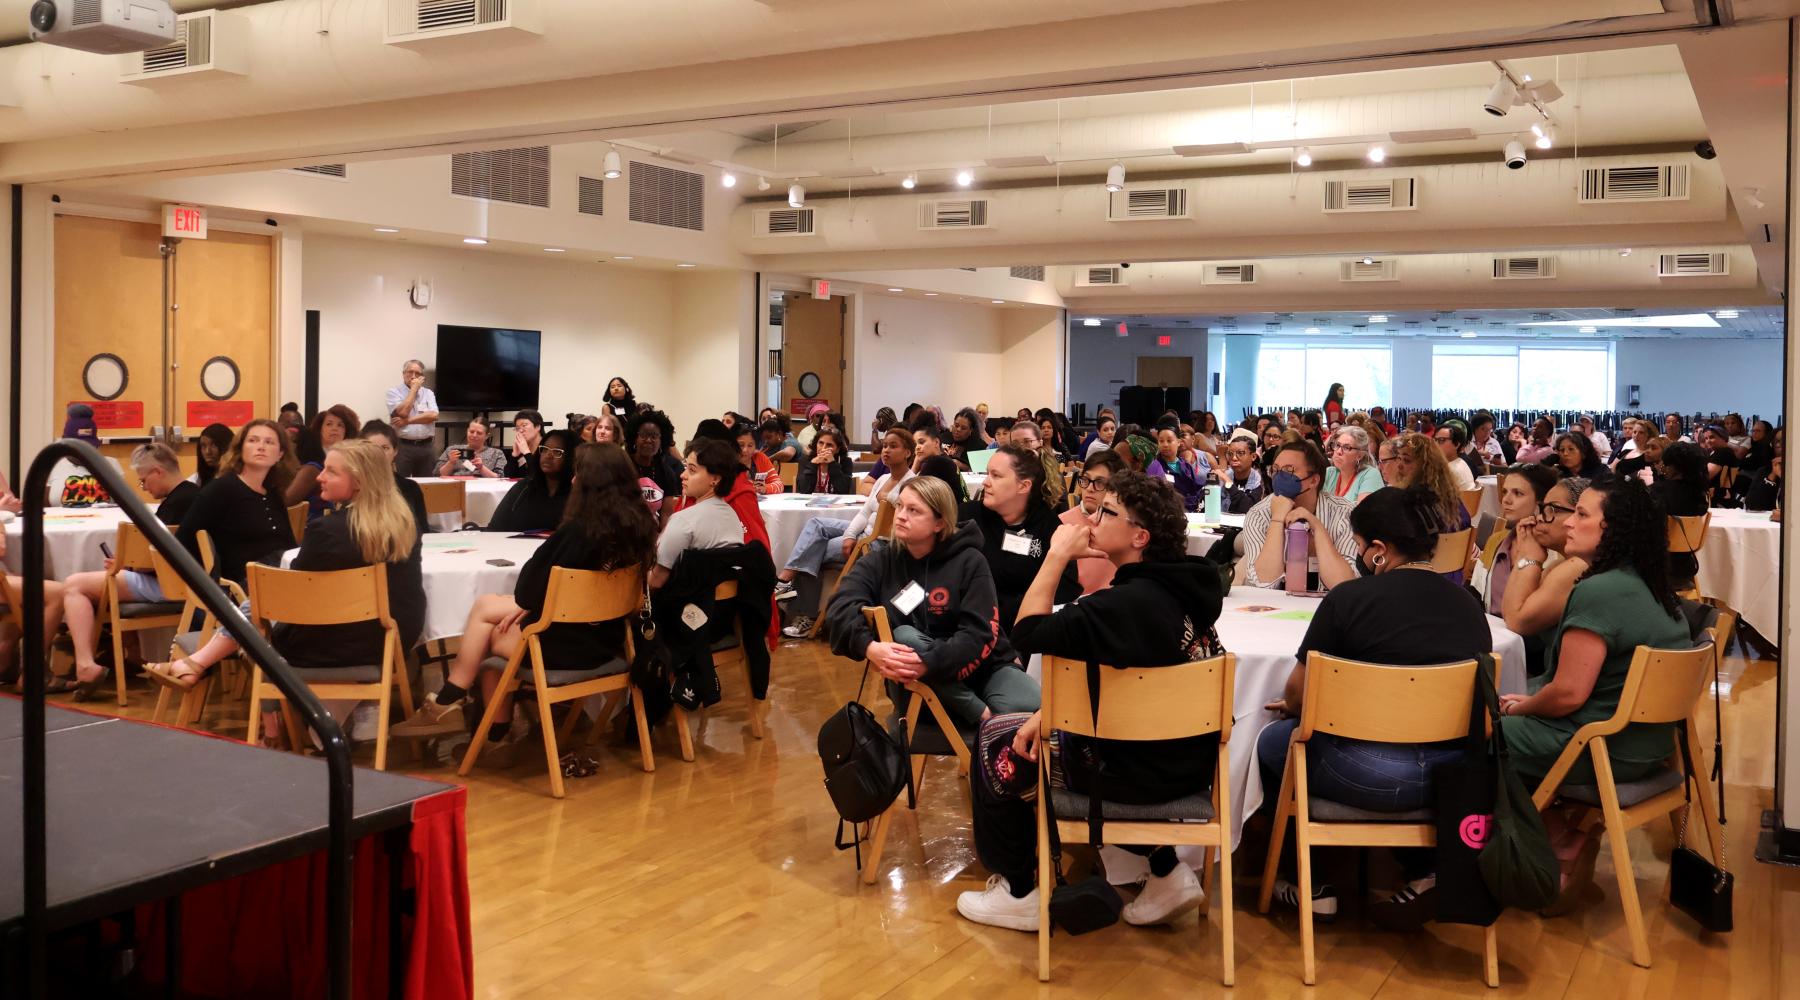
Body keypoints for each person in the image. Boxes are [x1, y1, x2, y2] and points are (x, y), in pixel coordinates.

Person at [955, 471, 1225, 931]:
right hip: (1192, 762)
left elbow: (1026, 634)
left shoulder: (1119, 606)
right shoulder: (1188, 588)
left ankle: (1019, 890)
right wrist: (1049, 714)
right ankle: (1165, 873)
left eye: (1107, 512)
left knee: (996, 738)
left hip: (1128, 773)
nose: (1091, 516)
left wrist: (1056, 555)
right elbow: (1130, 685)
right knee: (1039, 724)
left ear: (1140, 536)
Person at [1257, 484, 1492, 925]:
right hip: (1453, 775)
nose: (1362, 556)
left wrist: (1294, 709)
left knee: (1275, 742)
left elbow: (1297, 693)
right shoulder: (1469, 607)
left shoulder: (1348, 600)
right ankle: (1425, 870)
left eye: (1362, 547)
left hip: (1366, 774)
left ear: (1380, 550)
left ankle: (1309, 882)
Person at [143, 440, 426, 737]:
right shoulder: (405, 523)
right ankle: (203, 670)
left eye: (331, 471)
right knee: (259, 608)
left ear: (358, 481)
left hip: (329, 649)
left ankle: (271, 730)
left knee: (260, 617)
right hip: (390, 641)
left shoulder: (327, 531)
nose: (319, 477)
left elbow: (294, 603)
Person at [1497, 477, 1691, 908]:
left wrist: (1522, 708)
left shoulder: (1598, 590)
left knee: (1474, 728)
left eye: (1583, 515)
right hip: (1649, 744)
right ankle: (1554, 827)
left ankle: (1519, 851)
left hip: (1598, 747)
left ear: (1614, 529)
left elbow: (1567, 695)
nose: (1569, 525)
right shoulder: (1651, 585)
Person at [395, 444, 657, 741]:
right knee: (489, 611)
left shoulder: (580, 531)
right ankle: (472, 721)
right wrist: (533, 605)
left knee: (490, 631)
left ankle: (457, 710)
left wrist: (532, 604)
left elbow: (527, 589)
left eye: (578, 475)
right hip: (610, 639)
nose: (572, 481)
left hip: (566, 648)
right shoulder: (641, 527)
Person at [826, 475, 1038, 740]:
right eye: (900, 506)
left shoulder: (970, 561)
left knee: (1036, 712)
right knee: (905, 637)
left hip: (980, 668)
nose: (901, 516)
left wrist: (930, 663)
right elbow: (839, 609)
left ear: (940, 522)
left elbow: (978, 634)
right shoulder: (882, 560)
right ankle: (980, 715)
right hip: (917, 686)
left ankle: (986, 738)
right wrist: (871, 648)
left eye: (914, 510)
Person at [56, 443, 202, 698]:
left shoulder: (171, 507)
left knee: (73, 585)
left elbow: (158, 558)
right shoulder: (196, 496)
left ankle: (85, 666)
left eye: (144, 481)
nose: (144, 487)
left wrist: (124, 564)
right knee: (104, 584)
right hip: (188, 582)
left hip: (168, 584)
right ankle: (129, 653)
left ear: (157, 471)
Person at [776, 427, 916, 638]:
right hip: (865, 531)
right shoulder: (881, 479)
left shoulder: (911, 484)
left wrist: (860, 537)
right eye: (885, 445)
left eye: (893, 446)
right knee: (816, 525)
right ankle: (785, 580)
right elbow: (864, 513)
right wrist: (850, 535)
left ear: (907, 452)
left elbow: (895, 525)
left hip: (879, 542)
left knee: (813, 550)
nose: (886, 450)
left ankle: (806, 615)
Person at [958, 444, 1080, 630]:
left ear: (1023, 486)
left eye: (996, 476)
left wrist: (1016, 608)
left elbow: (1067, 587)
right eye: (987, 473)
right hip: (966, 623)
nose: (985, 482)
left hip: (1021, 628)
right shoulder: (966, 518)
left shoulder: (1049, 527)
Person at [173, 419, 296, 589]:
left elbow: (288, 543)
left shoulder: (273, 491)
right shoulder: (221, 489)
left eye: (269, 442)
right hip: (241, 587)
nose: (261, 447)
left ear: (280, 454)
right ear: (241, 449)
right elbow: (182, 540)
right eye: (253, 440)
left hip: (280, 578)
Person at [1241, 439, 1359, 590]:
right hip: (1276, 608)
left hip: (1328, 607)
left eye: (1289, 470)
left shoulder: (1344, 512)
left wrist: (1317, 527)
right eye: (1276, 470)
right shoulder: (1259, 514)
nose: (1280, 476)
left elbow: (1345, 586)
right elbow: (1261, 584)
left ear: (1314, 480)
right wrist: (1277, 520)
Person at [1501, 478, 1591, 665]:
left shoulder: (1578, 566)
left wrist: (1529, 556)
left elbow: (1516, 621)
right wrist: (1527, 555)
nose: (1541, 518)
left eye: (1555, 510)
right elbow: (1510, 610)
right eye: (1543, 509)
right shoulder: (1558, 565)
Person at [648, 439, 749, 589]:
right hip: (725, 608)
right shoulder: (733, 517)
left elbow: (655, 582)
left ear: (715, 479)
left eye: (692, 470)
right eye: (685, 468)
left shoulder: (684, 520)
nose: (683, 475)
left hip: (684, 607)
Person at [1470, 463, 1560, 617]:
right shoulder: (1496, 540)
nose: (1506, 500)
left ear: (1541, 503)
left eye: (1518, 493)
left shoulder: (1556, 553)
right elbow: (1476, 592)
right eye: (1505, 492)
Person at [1059, 450, 1125, 594]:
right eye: (1086, 480)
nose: (1089, 488)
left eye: (1100, 483)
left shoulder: (1125, 524)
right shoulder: (1062, 524)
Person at [487, 429, 576, 532]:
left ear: (571, 457)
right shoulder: (525, 487)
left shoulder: (578, 492)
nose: (548, 456)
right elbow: (495, 526)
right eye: (544, 449)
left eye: (557, 452)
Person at [287, 404, 361, 519]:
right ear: (320, 428)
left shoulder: (354, 461)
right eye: (329, 424)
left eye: (340, 425)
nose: (334, 428)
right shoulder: (311, 465)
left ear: (347, 431)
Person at [1655, 441, 1710, 586]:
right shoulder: (1700, 495)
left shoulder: (1657, 492)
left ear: (1673, 466)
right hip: (1685, 563)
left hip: (1657, 563)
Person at [360, 420, 429, 531]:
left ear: (395, 451)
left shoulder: (410, 487)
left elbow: (422, 529)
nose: (379, 454)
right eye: (372, 448)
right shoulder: (355, 486)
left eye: (385, 448)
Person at [386, 359, 440, 477]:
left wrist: (408, 421)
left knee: (428, 485)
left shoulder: (428, 393)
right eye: (410, 372)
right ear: (403, 374)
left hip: (427, 446)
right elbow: (403, 413)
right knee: (401, 485)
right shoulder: (394, 392)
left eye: (417, 373)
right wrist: (414, 390)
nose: (413, 376)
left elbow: (433, 415)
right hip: (403, 446)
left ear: (422, 377)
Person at [627, 409, 684, 519]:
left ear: (661, 441)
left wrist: (662, 535)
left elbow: (666, 514)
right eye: (643, 435)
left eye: (654, 436)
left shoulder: (666, 472)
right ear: (634, 438)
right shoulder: (623, 466)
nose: (648, 440)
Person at [1322, 426, 1384, 505]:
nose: (1339, 452)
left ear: (1360, 455)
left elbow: (1362, 514)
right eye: (1337, 445)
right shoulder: (1329, 472)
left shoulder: (1370, 474)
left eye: (1347, 447)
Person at [1153, 425, 1208, 511]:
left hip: (1192, 512)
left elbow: (1198, 488)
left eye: (1169, 441)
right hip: (1170, 512)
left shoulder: (1185, 465)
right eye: (1161, 441)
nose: (1165, 445)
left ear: (1178, 442)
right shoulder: (1155, 466)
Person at [436, 417, 505, 479]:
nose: (474, 435)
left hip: (483, 488)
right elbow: (438, 474)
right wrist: (451, 462)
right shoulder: (452, 450)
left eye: (479, 433)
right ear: (467, 431)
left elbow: (499, 478)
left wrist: (481, 468)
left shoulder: (496, 453)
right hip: (455, 487)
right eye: (471, 432)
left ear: (487, 436)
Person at [1218, 432, 1267, 513]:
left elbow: (1248, 509)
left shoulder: (1259, 481)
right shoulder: (1223, 477)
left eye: (1240, 453)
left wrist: (1228, 483)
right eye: (1230, 454)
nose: (1234, 458)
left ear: (1253, 456)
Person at [734, 421, 784, 496]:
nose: (745, 450)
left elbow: (779, 485)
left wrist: (765, 488)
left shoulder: (760, 458)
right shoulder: (727, 460)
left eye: (750, 445)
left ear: (755, 446)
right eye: (741, 445)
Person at [798, 428, 854, 495]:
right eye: (821, 443)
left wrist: (832, 463)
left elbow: (843, 490)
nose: (823, 448)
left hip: (836, 503)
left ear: (837, 449)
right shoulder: (806, 460)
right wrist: (812, 464)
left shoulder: (845, 462)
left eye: (829, 445)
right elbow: (803, 490)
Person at [1699, 424, 1742, 506]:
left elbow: (1706, 475)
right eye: (1706, 438)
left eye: (1712, 437)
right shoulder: (1721, 452)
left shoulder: (1723, 452)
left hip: (1719, 501)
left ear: (1723, 437)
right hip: (1720, 499)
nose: (1708, 441)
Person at [1744, 427, 1783, 512]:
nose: (1779, 445)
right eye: (1776, 441)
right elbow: (1752, 505)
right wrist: (1772, 476)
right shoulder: (1764, 471)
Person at [1433, 423, 1480, 491]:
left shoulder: (1449, 469)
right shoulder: (1461, 462)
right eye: (1435, 440)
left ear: (1457, 444)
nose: (1436, 444)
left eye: (1441, 440)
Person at [191, 422, 235, 486]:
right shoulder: (195, 481)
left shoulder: (243, 478)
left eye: (213, 445)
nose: (207, 452)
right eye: (203, 446)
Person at [505, 409, 545, 479]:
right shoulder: (521, 448)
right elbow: (509, 475)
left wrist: (526, 453)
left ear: (538, 426)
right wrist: (514, 455)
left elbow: (538, 476)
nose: (520, 430)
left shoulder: (547, 448)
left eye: (524, 425)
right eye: (517, 428)